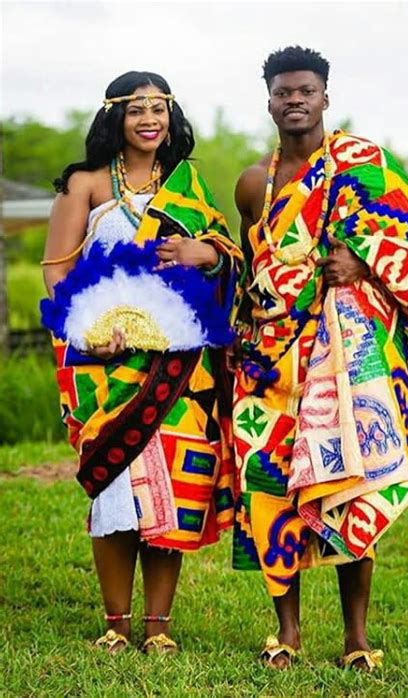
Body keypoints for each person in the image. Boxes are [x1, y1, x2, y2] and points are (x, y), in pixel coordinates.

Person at [232, 46, 408, 671]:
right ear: (269, 100)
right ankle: (286, 633)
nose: (294, 100)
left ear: (325, 97)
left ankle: (357, 639)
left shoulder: (364, 165)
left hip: (348, 353)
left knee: (349, 482)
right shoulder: (255, 181)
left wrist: (363, 264)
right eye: (283, 91)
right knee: (271, 488)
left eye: (305, 90)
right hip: (271, 358)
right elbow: (249, 265)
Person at [41, 70, 242, 654]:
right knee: (114, 485)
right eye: (136, 109)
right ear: (115, 118)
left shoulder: (190, 185)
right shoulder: (84, 185)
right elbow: (56, 271)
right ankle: (116, 622)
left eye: (159, 108)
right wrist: (88, 327)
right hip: (104, 364)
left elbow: (226, 257)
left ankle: (159, 629)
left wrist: (201, 250)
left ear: (171, 116)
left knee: (173, 490)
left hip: (181, 368)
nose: (149, 119)